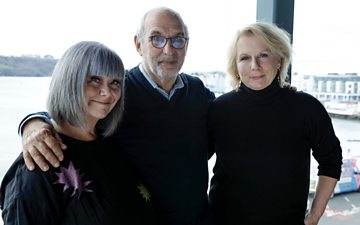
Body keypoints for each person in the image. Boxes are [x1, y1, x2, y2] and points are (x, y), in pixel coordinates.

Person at [15, 7, 216, 225]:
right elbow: (72, 115)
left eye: (178, 40)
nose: (169, 49)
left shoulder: (197, 91)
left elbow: (226, 123)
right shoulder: (119, 92)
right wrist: (33, 123)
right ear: (139, 45)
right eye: (156, 39)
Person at [0, 41, 156, 224]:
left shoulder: (112, 144)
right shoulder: (40, 163)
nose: (107, 92)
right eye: (95, 79)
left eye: (114, 82)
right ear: (69, 80)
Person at [207, 22, 343, 225]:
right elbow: (192, 162)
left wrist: (314, 215)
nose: (255, 65)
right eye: (244, 58)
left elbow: (331, 161)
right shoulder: (218, 109)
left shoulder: (307, 108)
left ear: (279, 60)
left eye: (263, 55)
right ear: (235, 65)